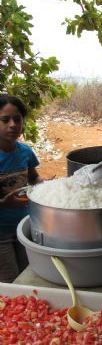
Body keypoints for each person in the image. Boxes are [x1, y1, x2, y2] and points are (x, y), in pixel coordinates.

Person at [0, 94, 43, 283]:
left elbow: (33, 177)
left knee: (28, 275)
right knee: (9, 281)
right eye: (5, 120)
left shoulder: (25, 151)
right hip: (1, 233)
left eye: (17, 119)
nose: (12, 125)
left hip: (25, 226)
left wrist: (43, 185)